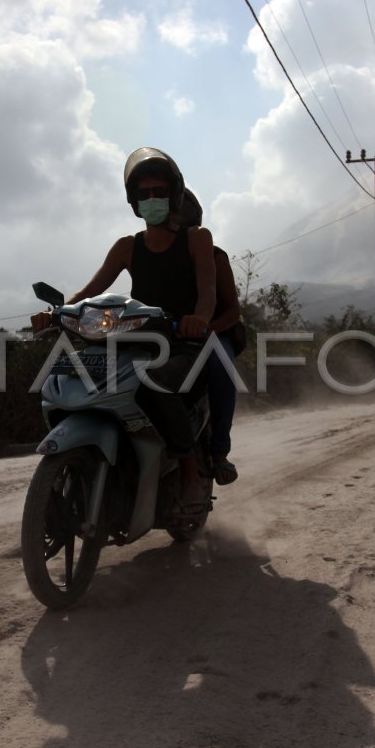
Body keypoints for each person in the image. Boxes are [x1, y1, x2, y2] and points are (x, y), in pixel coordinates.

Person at [32, 147, 216, 514]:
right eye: (143, 194)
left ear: (174, 195)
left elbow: (208, 293)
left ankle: (190, 473)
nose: (151, 199)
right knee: (68, 375)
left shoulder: (197, 239)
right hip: (131, 340)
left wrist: (198, 318)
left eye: (159, 192)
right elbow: (88, 293)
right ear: (134, 201)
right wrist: (56, 314)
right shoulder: (127, 248)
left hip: (180, 343)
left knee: (155, 386)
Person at [178, 188, 242, 486]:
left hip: (212, 336)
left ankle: (219, 453)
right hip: (167, 336)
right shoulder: (150, 255)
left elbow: (232, 311)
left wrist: (207, 328)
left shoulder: (215, 257)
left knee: (221, 367)